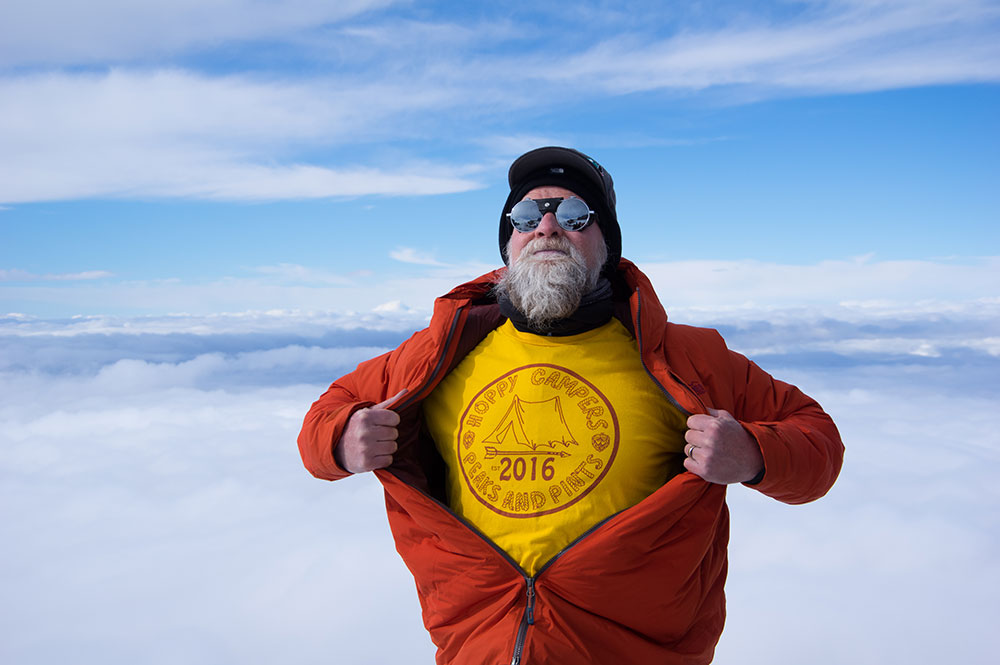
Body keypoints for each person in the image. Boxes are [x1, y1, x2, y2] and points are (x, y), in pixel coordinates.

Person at [298, 146, 844, 665]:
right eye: (527, 214)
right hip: (478, 647)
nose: (547, 226)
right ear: (508, 243)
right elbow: (325, 416)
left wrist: (753, 455)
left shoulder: (684, 357)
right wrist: (342, 441)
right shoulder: (439, 352)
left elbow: (818, 444)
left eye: (576, 214)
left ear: (607, 244)